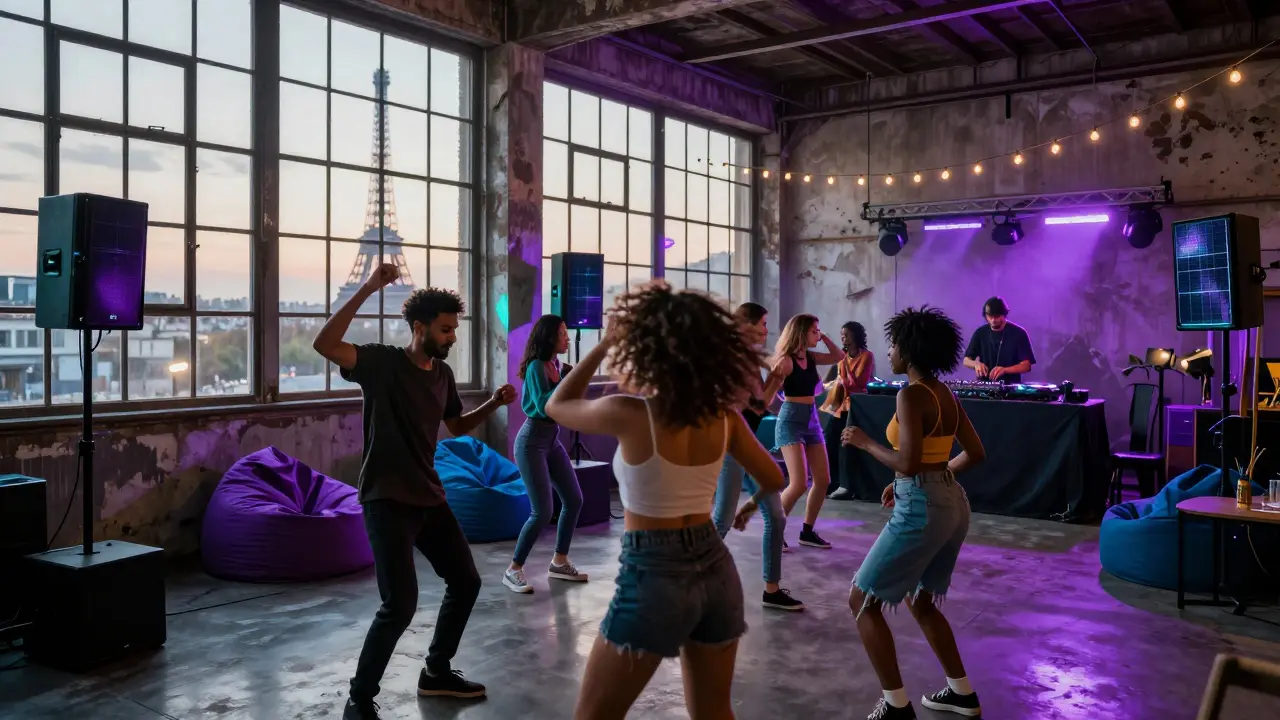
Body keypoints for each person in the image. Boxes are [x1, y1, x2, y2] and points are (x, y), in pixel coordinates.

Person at [546, 283, 785, 720]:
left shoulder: (629, 412)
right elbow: (773, 477)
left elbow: (556, 403)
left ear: (646, 351)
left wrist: (604, 344)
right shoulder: (724, 416)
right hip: (717, 570)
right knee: (714, 712)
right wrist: (750, 508)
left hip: (653, 574)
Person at [314, 263, 517, 720]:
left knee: (465, 581)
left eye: (455, 330)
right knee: (400, 604)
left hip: (429, 496)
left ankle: (436, 672)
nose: (452, 338)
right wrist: (369, 286)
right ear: (419, 327)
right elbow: (324, 345)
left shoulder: (441, 375)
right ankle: (359, 699)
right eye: (445, 330)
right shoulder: (382, 363)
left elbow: (456, 425)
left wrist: (494, 403)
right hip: (386, 499)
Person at [841, 305, 986, 720]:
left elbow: (906, 461)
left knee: (861, 600)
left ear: (910, 349)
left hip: (922, 508)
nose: (888, 351)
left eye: (893, 344)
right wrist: (928, 478)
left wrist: (866, 442)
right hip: (952, 504)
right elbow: (974, 454)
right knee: (921, 601)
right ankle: (962, 693)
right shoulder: (945, 395)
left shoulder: (910, 394)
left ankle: (895, 706)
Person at [711, 302, 804, 611]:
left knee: (776, 517)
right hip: (732, 446)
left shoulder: (750, 359)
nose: (767, 329)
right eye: (763, 323)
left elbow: (764, 402)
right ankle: (685, 577)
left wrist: (781, 382)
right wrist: (777, 376)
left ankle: (772, 589)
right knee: (722, 519)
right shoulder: (733, 359)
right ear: (747, 324)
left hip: (749, 444)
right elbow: (755, 404)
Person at [504, 314, 587, 593]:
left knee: (574, 500)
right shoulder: (537, 367)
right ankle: (513, 569)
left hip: (552, 440)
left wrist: (571, 377)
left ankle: (559, 561)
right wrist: (567, 381)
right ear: (550, 337)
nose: (567, 338)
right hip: (531, 442)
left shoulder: (557, 365)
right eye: (563, 333)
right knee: (543, 511)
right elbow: (543, 406)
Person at [764, 314, 843, 549]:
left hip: (812, 420)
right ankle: (774, 531)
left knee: (823, 480)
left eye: (818, 331)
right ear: (801, 333)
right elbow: (767, 398)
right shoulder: (786, 361)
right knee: (798, 484)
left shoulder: (810, 357)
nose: (817, 335)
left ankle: (806, 532)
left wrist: (824, 336)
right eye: (814, 331)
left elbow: (838, 356)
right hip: (791, 420)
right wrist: (784, 415)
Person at [822, 321, 874, 501]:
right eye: (841, 334)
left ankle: (847, 486)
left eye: (846, 334)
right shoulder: (841, 358)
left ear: (855, 336)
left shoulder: (866, 356)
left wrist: (841, 374)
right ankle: (831, 483)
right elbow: (829, 382)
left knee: (847, 445)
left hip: (855, 407)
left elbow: (858, 383)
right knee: (829, 441)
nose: (843, 337)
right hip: (838, 406)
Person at [962, 296, 1035, 383]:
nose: (993, 320)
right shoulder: (980, 333)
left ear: (1005, 315)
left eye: (997, 316)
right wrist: (976, 364)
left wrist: (1005, 370)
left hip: (1010, 388)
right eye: (990, 316)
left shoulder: (1019, 333)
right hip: (985, 387)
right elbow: (966, 360)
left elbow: (1026, 366)